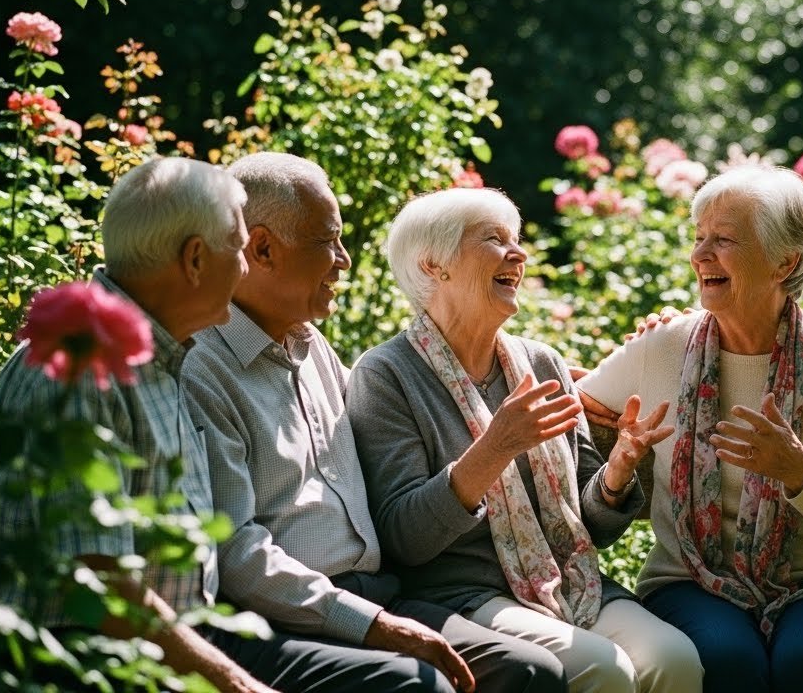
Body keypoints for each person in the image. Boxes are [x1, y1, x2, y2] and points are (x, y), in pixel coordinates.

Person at [181, 152, 567, 693]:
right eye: (327, 241)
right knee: (434, 682)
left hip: (379, 594)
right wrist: (374, 624)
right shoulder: (203, 370)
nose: (343, 260)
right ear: (263, 248)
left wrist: (575, 392)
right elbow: (237, 555)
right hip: (294, 614)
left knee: (529, 671)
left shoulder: (308, 344)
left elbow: (415, 402)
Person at [348, 187, 703, 693]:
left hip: (571, 579)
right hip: (466, 596)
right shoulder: (386, 375)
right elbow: (403, 538)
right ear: (433, 265)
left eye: (516, 239)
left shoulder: (540, 363)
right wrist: (494, 449)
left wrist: (618, 471)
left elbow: (592, 523)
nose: (519, 254)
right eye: (494, 240)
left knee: (674, 660)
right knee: (604, 669)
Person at [575, 164, 803, 693]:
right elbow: (569, 398)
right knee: (728, 660)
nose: (700, 256)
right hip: (688, 579)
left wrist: (798, 470)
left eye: (723, 241)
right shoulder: (664, 347)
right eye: (699, 239)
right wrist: (614, 445)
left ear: (785, 261)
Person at [0, 157, 277, 693]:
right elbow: (99, 584)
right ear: (194, 259)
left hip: (175, 648)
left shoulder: (158, 358)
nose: (244, 267)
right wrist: (236, 684)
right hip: (93, 669)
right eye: (237, 249)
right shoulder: (78, 370)